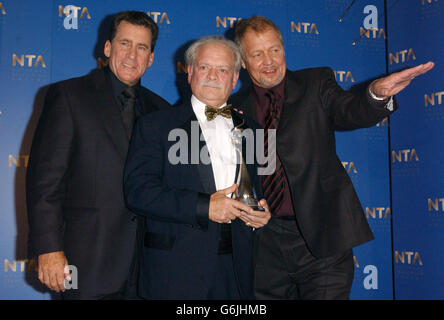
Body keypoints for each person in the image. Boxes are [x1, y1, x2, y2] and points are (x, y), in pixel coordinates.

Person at [230, 15, 434, 300]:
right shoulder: (233, 109)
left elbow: (349, 110)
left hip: (324, 238)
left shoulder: (316, 83)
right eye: (257, 54)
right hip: (264, 247)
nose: (269, 61)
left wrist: (375, 95)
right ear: (242, 61)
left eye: (275, 50)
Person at [26, 11, 170, 300]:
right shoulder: (69, 96)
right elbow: (45, 181)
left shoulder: (162, 110)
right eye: (124, 44)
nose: (132, 55)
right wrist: (48, 249)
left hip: (146, 266)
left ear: (151, 57)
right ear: (107, 48)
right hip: (87, 261)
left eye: (142, 47)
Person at [123, 35, 271, 299]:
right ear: (189, 72)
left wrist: (260, 213)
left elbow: (257, 191)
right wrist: (204, 207)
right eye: (204, 67)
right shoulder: (155, 125)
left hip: (237, 272)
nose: (213, 75)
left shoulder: (253, 129)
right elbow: (138, 192)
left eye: (223, 69)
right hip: (176, 272)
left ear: (235, 77)